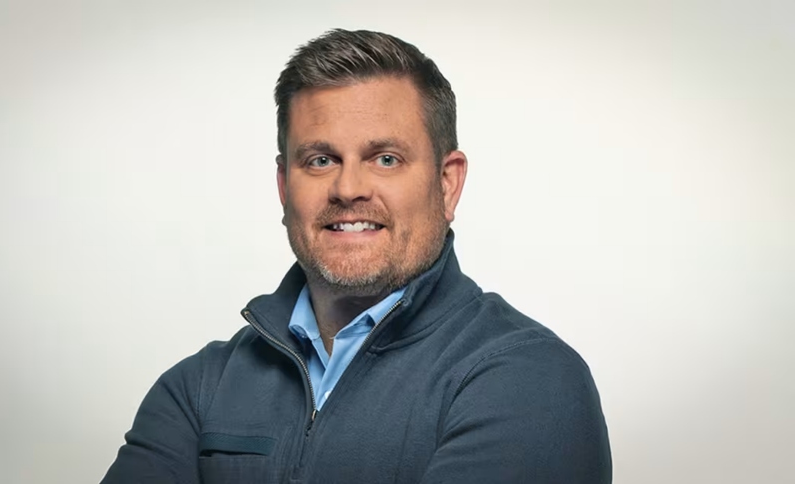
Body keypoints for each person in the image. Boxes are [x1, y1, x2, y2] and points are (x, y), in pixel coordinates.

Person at [102, 29, 612, 483]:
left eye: (385, 159)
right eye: (320, 160)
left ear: (447, 183)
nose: (348, 188)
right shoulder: (199, 389)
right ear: (284, 186)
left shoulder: (527, 379)